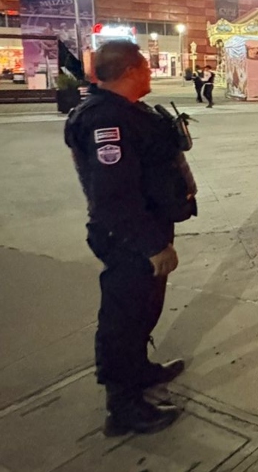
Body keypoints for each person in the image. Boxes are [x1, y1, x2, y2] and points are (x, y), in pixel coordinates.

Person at [64, 40, 198, 436]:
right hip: (129, 237)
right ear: (127, 72)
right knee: (123, 318)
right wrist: (151, 245)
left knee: (144, 309)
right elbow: (113, 197)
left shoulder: (129, 112)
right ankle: (122, 407)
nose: (150, 72)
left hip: (147, 227)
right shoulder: (108, 121)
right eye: (145, 66)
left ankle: (139, 370)